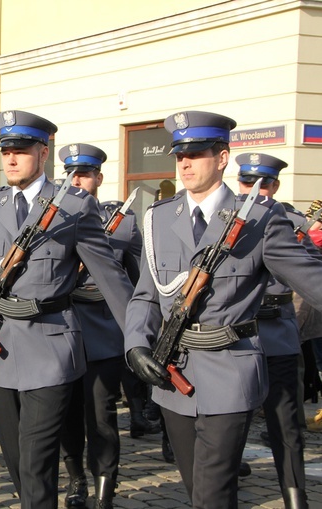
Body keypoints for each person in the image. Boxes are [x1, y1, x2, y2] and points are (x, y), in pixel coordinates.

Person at [125, 111, 322, 509]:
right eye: (180, 154)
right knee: (198, 489)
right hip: (174, 372)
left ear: (222, 158)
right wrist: (135, 345)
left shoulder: (260, 220)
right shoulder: (159, 218)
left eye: (196, 154)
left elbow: (311, 279)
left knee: (213, 491)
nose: (184, 163)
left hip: (230, 370)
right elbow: (146, 294)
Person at [0, 111, 134, 508]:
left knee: (36, 463)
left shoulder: (73, 206)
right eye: (6, 151)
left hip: (51, 347)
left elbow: (110, 277)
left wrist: (139, 339)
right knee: (17, 464)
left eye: (21, 150)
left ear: (43, 152)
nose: (12, 159)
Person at [56, 143, 146, 509]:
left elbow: (139, 283)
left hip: (106, 331)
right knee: (67, 414)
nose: (78, 180)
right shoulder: (52, 217)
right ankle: (76, 478)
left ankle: (105, 487)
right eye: (72, 174)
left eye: (85, 174)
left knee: (102, 415)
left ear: (98, 178)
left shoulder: (121, 222)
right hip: (64, 327)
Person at [234, 153, 314, 508]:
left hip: (278, 331)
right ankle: (227, 475)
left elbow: (312, 271)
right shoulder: (222, 220)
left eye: (263, 184)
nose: (255, 190)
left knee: (287, 422)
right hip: (234, 337)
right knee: (230, 416)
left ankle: (294, 494)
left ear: (275, 186)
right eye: (248, 182)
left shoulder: (293, 221)